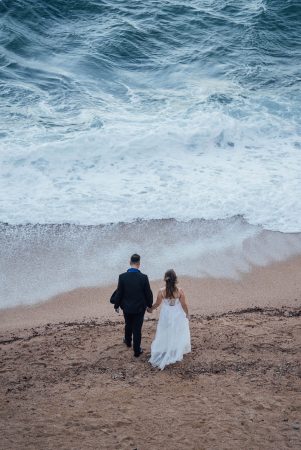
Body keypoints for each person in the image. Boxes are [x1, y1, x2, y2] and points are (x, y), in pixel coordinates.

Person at [148, 269, 191, 369]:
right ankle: (175, 348)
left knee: (165, 330)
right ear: (175, 279)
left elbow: (157, 304)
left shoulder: (162, 291)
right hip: (177, 313)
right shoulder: (179, 291)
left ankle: (166, 347)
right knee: (177, 330)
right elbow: (184, 304)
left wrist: (150, 309)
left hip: (166, 314)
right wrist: (187, 314)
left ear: (165, 279)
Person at [114, 254, 153, 357]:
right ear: (139, 264)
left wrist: (116, 305)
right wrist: (150, 305)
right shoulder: (143, 277)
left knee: (128, 324)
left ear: (130, 262)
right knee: (137, 329)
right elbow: (148, 293)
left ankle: (127, 341)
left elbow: (119, 293)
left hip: (126, 307)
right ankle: (137, 350)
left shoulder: (122, 277)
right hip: (139, 308)